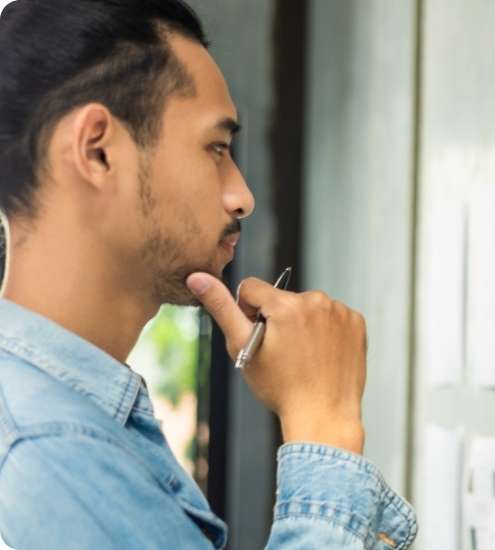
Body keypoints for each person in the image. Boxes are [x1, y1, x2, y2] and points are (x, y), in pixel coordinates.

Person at [0, 0, 417, 548]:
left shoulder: (63, 422)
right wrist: (323, 424)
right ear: (97, 151)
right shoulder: (50, 452)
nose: (242, 196)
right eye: (216, 148)